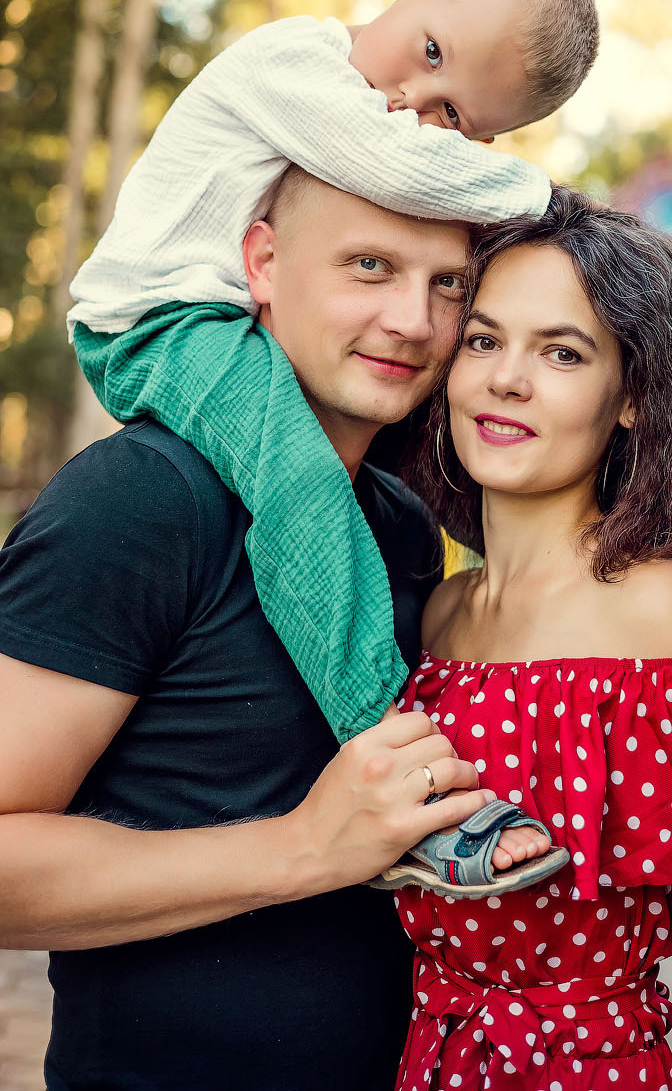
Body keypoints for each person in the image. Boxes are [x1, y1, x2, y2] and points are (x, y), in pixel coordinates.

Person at [0, 177, 553, 1091]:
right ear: (261, 263)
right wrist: (302, 848)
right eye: (369, 266)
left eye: (448, 284)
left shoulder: (402, 527)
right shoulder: (140, 498)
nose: (413, 321)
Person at [68, 0, 599, 745]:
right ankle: (384, 733)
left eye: (452, 115)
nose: (411, 98)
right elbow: (392, 162)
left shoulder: (367, 109)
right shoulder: (293, 61)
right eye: (429, 52)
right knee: (296, 473)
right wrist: (545, 197)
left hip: (220, 317)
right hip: (155, 321)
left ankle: (609, 589)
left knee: (454, 433)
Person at [386, 189, 672, 1090]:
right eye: (483, 340)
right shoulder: (440, 614)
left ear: (632, 395)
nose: (506, 379)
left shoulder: (657, 617)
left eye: (562, 352)